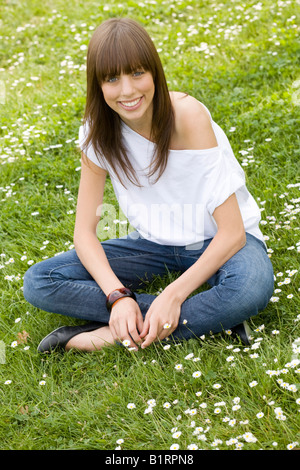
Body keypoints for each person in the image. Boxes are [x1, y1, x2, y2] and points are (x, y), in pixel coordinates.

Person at [23, 18, 274, 353]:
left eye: (137, 73)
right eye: (112, 78)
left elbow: (233, 233)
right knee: (40, 282)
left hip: (221, 244)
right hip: (154, 245)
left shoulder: (188, 117)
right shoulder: (97, 131)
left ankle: (114, 335)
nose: (127, 90)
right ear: (97, 85)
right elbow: (84, 233)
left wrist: (174, 294)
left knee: (250, 288)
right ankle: (204, 320)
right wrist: (117, 297)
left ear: (155, 72)